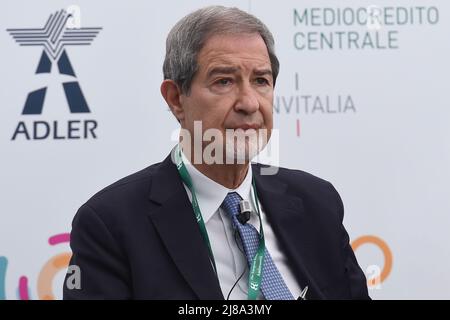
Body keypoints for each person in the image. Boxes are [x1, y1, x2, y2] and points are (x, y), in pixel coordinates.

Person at [63, 5, 369, 300]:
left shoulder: (317, 201)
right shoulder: (110, 224)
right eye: (224, 81)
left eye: (261, 80)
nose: (249, 103)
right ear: (176, 99)